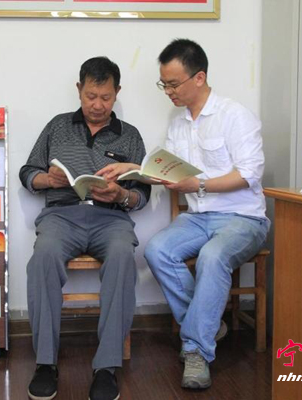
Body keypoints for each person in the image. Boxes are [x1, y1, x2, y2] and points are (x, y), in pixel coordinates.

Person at [98, 39, 269, 390]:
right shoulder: (178, 123)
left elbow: (250, 174)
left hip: (243, 217)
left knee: (213, 256)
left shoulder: (235, 116)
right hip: (198, 217)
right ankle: (207, 326)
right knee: (157, 250)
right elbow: (169, 173)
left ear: (199, 77)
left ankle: (195, 350)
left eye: (173, 84)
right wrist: (132, 170)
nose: (168, 92)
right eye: (164, 84)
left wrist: (199, 184)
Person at [19, 56, 151, 400]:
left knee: (123, 258)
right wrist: (47, 179)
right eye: (91, 96)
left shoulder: (130, 135)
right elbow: (27, 172)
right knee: (43, 257)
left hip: (111, 219)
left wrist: (122, 194)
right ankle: (45, 363)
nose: (97, 105)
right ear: (79, 89)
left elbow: (142, 194)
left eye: (106, 97)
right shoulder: (57, 126)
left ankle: (106, 367)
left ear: (117, 92)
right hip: (62, 216)